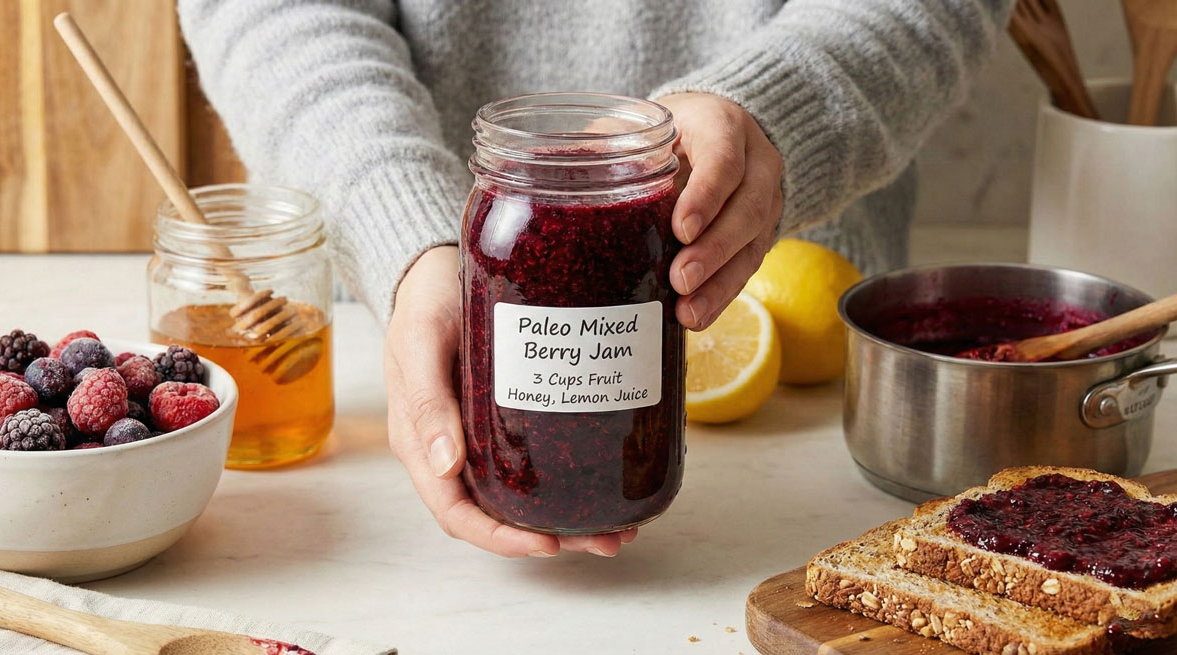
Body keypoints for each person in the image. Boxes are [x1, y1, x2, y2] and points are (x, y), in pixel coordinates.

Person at [180, 0, 1013, 558]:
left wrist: (770, 113)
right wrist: (401, 228)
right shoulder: (489, 225)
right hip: (412, 277)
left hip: (818, 377)